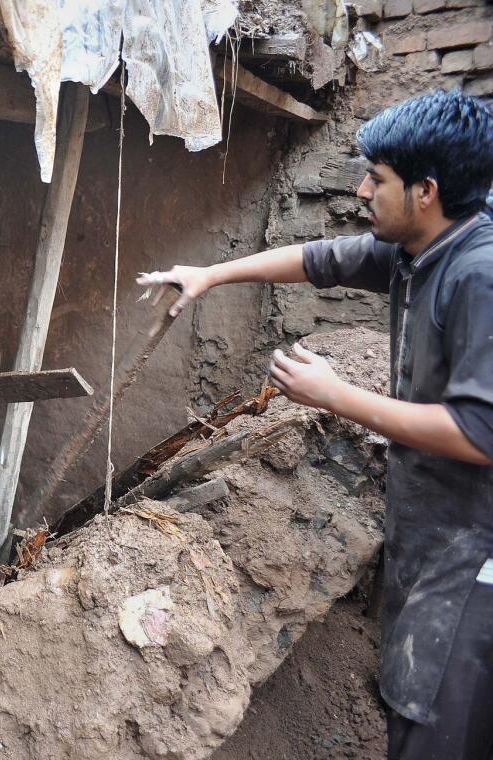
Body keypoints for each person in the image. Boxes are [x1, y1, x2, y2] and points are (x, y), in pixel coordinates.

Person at [139, 90, 493, 759]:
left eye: (376, 179)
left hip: (473, 554)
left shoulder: (478, 275)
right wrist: (209, 275)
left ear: (426, 190)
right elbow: (321, 259)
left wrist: (335, 395)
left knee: (436, 727)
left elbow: (481, 432)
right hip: (430, 534)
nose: (360, 190)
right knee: (410, 705)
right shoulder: (420, 248)